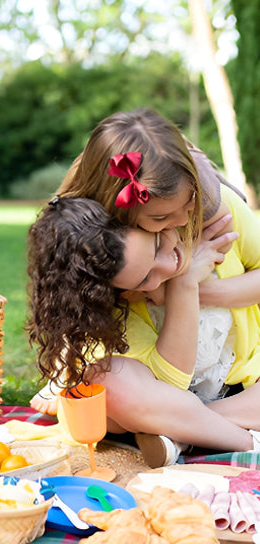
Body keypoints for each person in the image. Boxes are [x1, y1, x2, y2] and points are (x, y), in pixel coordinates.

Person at [30, 107, 249, 415]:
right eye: (159, 219)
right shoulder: (104, 252)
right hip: (161, 372)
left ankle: (192, 424)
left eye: (189, 202)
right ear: (120, 211)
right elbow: (76, 305)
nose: (182, 219)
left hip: (235, 370)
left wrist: (192, 289)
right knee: (113, 393)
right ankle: (185, 423)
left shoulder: (212, 212)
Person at [26, 191, 260, 468]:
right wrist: (183, 285)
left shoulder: (213, 210)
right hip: (157, 400)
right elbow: (171, 386)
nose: (169, 264)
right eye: (146, 276)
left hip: (243, 392)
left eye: (158, 243)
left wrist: (195, 288)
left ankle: (181, 437)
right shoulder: (113, 296)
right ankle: (247, 442)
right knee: (108, 383)